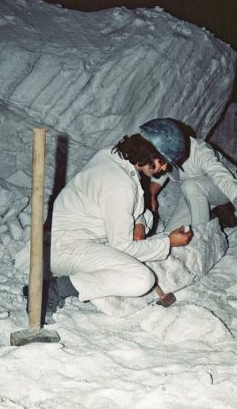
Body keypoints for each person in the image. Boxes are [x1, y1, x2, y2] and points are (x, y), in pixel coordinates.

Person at [44, 118, 193, 323]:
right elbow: (124, 246)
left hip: (75, 235)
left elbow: (136, 209)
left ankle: (79, 277)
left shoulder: (114, 157)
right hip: (65, 248)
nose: (165, 168)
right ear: (149, 152)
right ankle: (53, 289)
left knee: (147, 216)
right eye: (163, 160)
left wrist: (139, 224)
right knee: (143, 279)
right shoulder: (119, 185)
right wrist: (168, 242)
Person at [148, 129, 237, 233]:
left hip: (222, 189)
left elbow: (222, 178)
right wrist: (151, 195)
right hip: (194, 193)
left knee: (190, 186)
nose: (161, 168)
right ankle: (211, 215)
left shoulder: (200, 150)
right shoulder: (167, 153)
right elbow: (161, 174)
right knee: (170, 235)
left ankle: (203, 239)